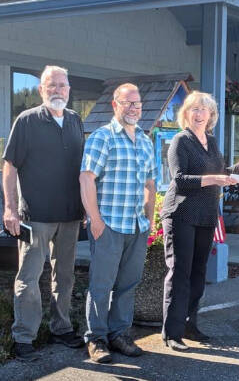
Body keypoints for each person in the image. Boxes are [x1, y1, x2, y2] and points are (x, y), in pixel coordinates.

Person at [2, 65, 85, 361]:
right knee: (29, 277)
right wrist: (10, 208)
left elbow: (83, 171)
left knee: (65, 277)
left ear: (69, 89)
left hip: (71, 215)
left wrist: (87, 207)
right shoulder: (26, 121)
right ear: (41, 89)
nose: (57, 90)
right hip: (35, 216)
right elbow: (10, 167)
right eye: (51, 86)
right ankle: (24, 336)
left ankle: (61, 328)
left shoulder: (75, 121)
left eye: (62, 85)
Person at [80, 83, 157, 363]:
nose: (134, 108)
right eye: (128, 103)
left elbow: (150, 183)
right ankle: (96, 338)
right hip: (109, 225)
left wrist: (149, 220)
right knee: (101, 285)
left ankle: (119, 334)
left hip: (136, 226)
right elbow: (86, 178)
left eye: (137, 103)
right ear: (115, 105)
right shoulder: (103, 137)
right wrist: (95, 219)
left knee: (128, 284)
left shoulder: (146, 141)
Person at [160, 91, 237, 351]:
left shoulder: (212, 142)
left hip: (205, 216)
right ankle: (172, 333)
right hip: (181, 214)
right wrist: (215, 179)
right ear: (186, 113)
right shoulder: (180, 141)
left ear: (211, 115)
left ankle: (189, 324)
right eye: (194, 109)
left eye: (204, 109)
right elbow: (180, 179)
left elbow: (221, 172)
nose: (199, 114)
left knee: (198, 274)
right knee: (180, 274)